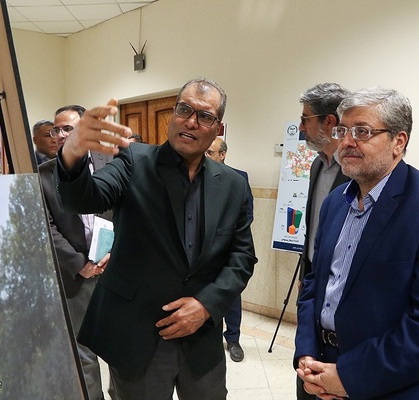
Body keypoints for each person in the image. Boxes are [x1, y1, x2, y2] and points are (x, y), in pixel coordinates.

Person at [54, 77, 257, 400]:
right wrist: (72, 154)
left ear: (218, 128)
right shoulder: (134, 160)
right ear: (173, 114)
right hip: (139, 338)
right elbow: (85, 198)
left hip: (201, 341)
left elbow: (242, 257)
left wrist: (207, 305)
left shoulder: (233, 184)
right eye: (184, 109)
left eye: (204, 116)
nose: (191, 121)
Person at [294, 87, 419, 399]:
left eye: (362, 131)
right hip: (322, 370)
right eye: (343, 130)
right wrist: (306, 351)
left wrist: (348, 376)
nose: (347, 141)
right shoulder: (334, 203)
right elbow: (315, 283)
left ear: (399, 142)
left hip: (401, 385)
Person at [38, 105, 113, 400]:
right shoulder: (44, 174)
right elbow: (46, 226)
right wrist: (78, 263)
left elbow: (129, 212)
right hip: (75, 277)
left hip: (115, 271)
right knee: (84, 353)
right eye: (55, 130)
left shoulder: (111, 163)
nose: (59, 135)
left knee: (120, 347)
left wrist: (116, 252)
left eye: (67, 128)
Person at [296, 83, 350, 399]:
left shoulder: (357, 170)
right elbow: (314, 228)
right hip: (314, 284)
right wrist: (307, 274)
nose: (300, 126)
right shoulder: (317, 164)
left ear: (329, 121)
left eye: (306, 119)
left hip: (342, 295)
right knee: (307, 373)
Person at [205, 136, 253, 362]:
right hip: (203, 251)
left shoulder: (239, 178)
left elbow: (247, 215)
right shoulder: (197, 175)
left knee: (231, 294)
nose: (206, 156)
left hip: (229, 248)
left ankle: (233, 339)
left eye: (210, 152)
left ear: (222, 155)